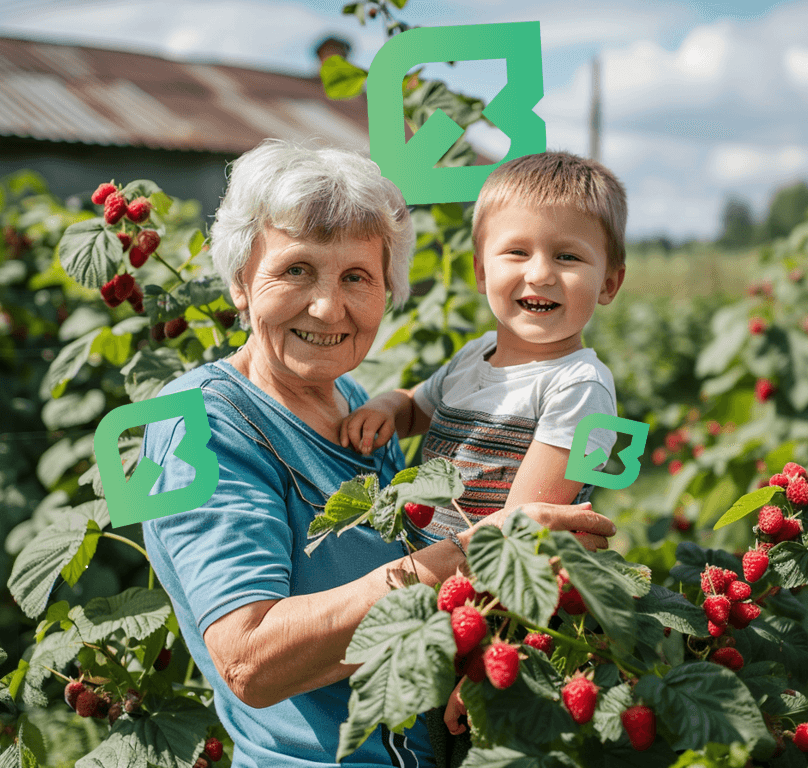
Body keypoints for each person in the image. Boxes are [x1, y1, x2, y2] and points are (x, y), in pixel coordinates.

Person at [137, 140, 618, 768]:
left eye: (357, 277)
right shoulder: (188, 420)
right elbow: (250, 661)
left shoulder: (354, 403)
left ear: (387, 292)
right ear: (239, 282)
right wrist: (481, 551)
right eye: (296, 269)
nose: (327, 307)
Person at [340, 151, 628, 735]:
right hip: (434, 583)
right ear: (479, 271)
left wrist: (483, 658)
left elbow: (522, 532)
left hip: (495, 610)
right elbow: (419, 405)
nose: (541, 273)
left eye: (568, 256)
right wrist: (386, 407)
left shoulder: (580, 385)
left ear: (610, 282)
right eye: (517, 252)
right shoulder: (474, 356)